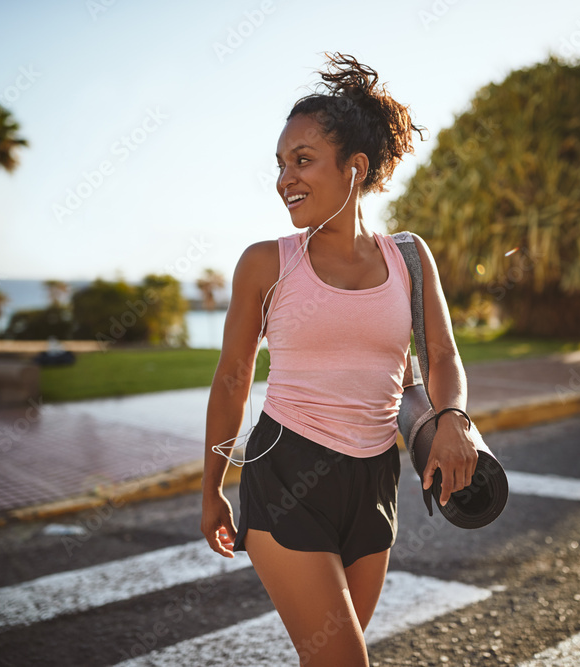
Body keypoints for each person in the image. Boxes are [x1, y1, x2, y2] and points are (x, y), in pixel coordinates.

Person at [200, 52, 479, 667]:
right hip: (284, 471)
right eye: (280, 164)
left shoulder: (408, 256)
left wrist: (454, 416)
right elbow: (231, 379)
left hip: (376, 478)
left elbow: (441, 357)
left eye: (302, 161)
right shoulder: (265, 264)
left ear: (354, 169)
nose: (284, 179)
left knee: (325, 659)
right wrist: (212, 486)